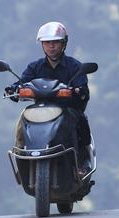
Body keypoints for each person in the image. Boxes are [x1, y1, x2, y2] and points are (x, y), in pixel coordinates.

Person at [6, 21, 93, 175]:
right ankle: (22, 160)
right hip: (39, 109)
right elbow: (22, 82)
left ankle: (83, 161)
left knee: (81, 120)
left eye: (55, 42)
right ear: (42, 45)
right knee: (22, 121)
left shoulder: (75, 66)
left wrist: (79, 91)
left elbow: (83, 89)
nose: (51, 46)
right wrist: (14, 89)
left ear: (64, 43)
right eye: (47, 43)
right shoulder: (35, 66)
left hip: (67, 109)